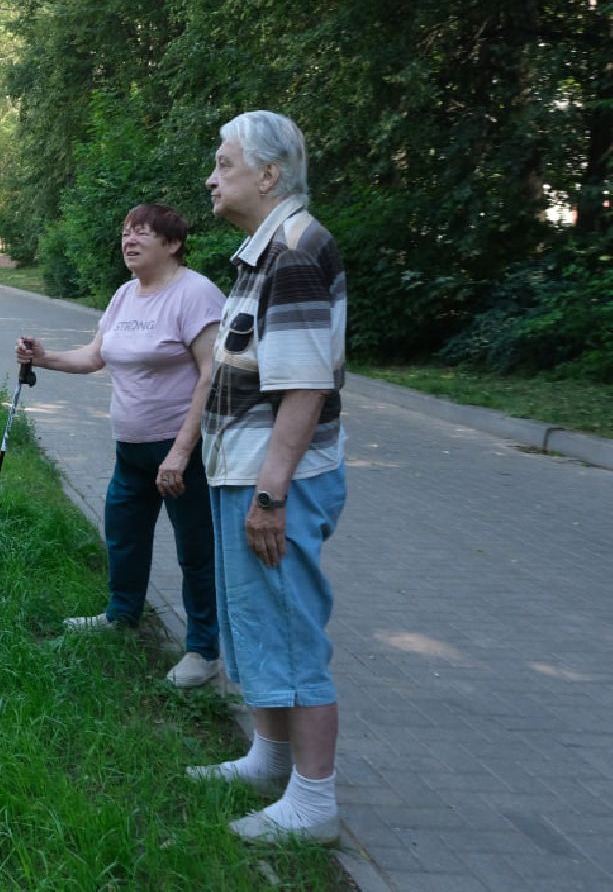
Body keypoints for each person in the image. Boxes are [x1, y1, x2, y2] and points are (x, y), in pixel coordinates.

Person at [186, 111, 348, 846]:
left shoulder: (294, 251)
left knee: (288, 629)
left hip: (273, 482)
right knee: (257, 627)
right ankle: (268, 758)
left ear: (267, 175)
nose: (210, 177)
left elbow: (305, 389)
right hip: (245, 475)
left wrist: (269, 496)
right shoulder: (263, 252)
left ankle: (313, 803)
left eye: (223, 164)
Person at [16, 203, 224, 689]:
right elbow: (94, 356)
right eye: (126, 233)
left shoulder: (195, 294)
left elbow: (212, 377)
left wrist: (180, 451)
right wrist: (43, 358)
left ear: (173, 244)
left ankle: (203, 649)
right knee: (124, 536)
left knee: (196, 550)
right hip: (129, 449)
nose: (129, 241)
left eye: (143, 234)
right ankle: (121, 616)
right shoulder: (126, 295)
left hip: (179, 451)